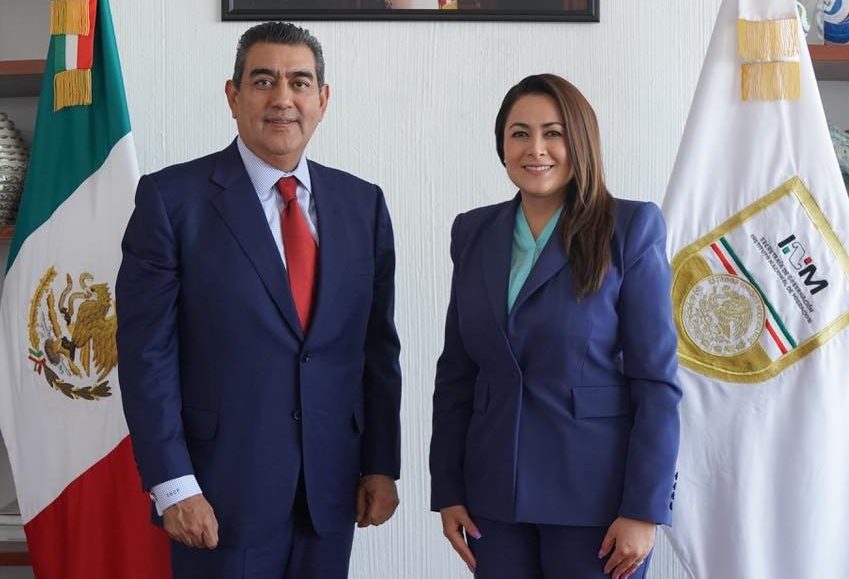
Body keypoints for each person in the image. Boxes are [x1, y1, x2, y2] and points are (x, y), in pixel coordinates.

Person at [116, 21, 401, 579]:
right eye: (264, 81)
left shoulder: (362, 204)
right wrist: (173, 486)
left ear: (323, 99)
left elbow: (377, 350)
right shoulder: (171, 201)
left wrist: (380, 465)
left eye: (300, 82)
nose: (282, 99)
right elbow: (146, 355)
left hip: (330, 495)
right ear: (233, 96)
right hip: (217, 496)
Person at [429, 74, 681, 579]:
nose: (536, 149)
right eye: (519, 133)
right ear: (502, 144)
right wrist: (448, 488)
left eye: (553, 133)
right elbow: (457, 372)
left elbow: (656, 382)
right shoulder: (473, 232)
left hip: (598, 503)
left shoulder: (629, 228)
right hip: (493, 500)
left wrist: (644, 508)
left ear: (580, 141)